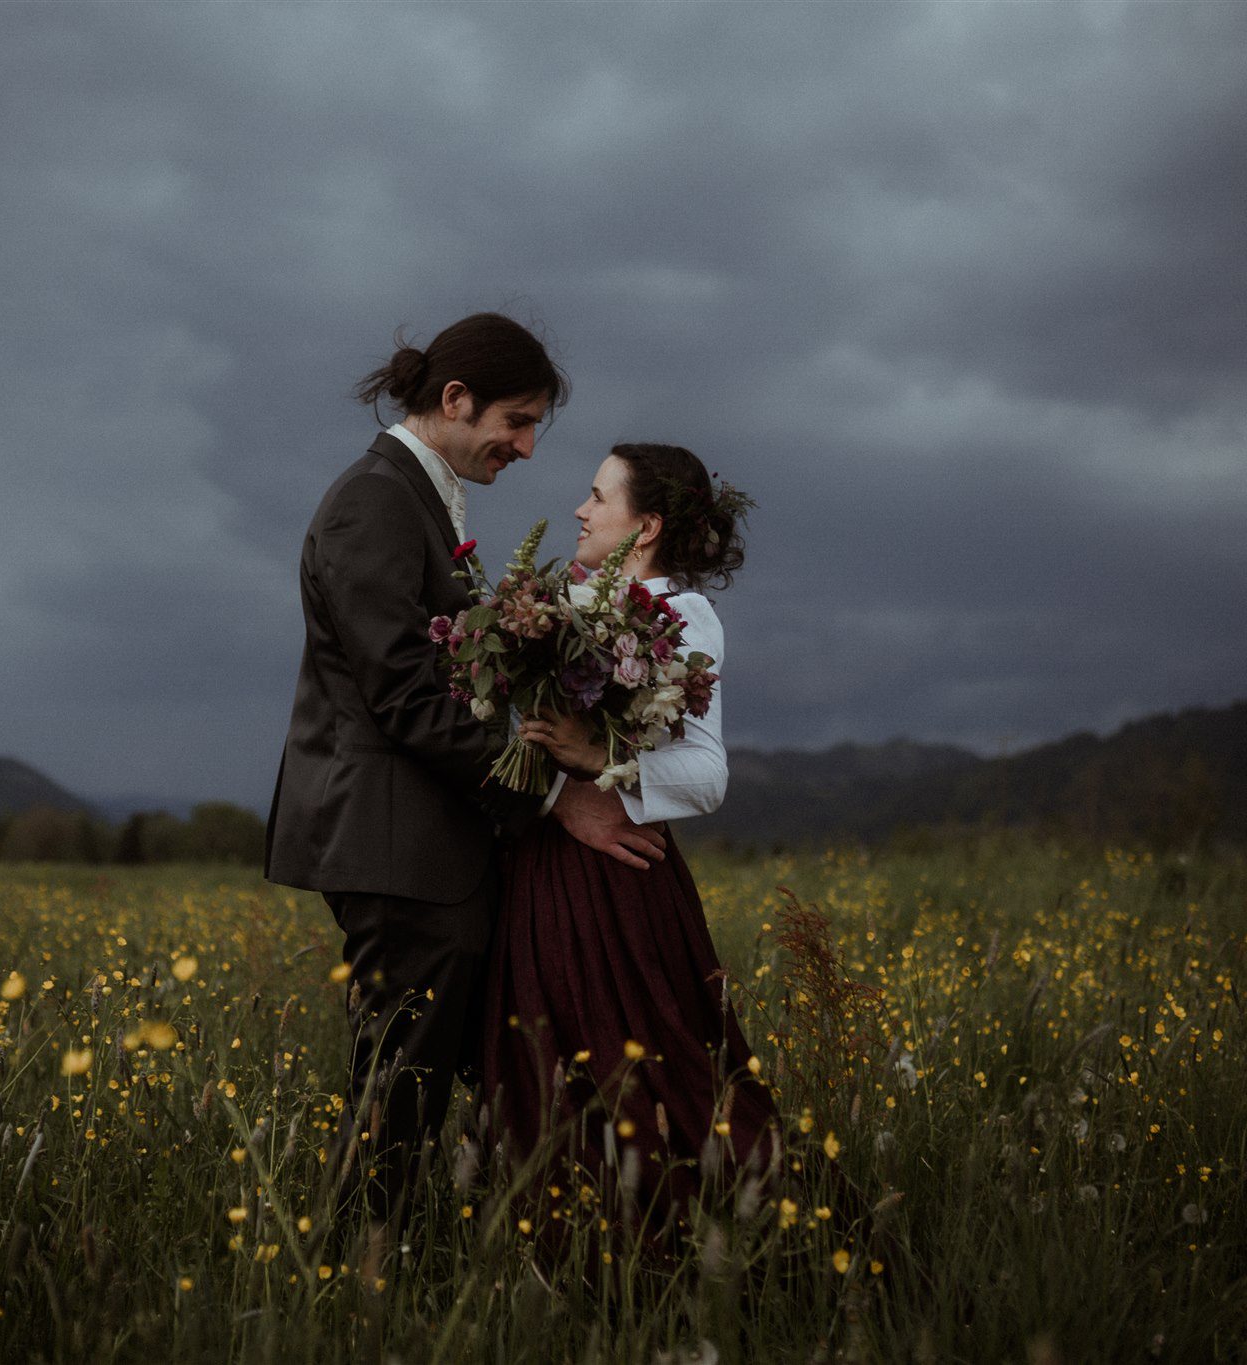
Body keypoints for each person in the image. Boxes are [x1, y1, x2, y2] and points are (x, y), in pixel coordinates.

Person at [264, 314, 667, 1267]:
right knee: (397, 1085)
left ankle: (393, 1262)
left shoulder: (418, 496)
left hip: (424, 839)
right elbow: (403, 693)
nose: (526, 449)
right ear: (454, 401)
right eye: (517, 422)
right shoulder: (374, 501)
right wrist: (551, 797)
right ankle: (351, 1277)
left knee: (417, 1079)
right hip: (391, 842)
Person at [481, 442, 833, 1252]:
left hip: (622, 876)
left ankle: (718, 1250)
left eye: (597, 496)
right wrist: (552, 782)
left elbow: (707, 775)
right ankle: (561, 1258)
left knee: (650, 1069)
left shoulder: (682, 613)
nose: (579, 509)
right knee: (543, 1067)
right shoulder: (556, 601)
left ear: (646, 526)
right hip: (542, 863)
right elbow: (527, 743)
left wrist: (596, 761)